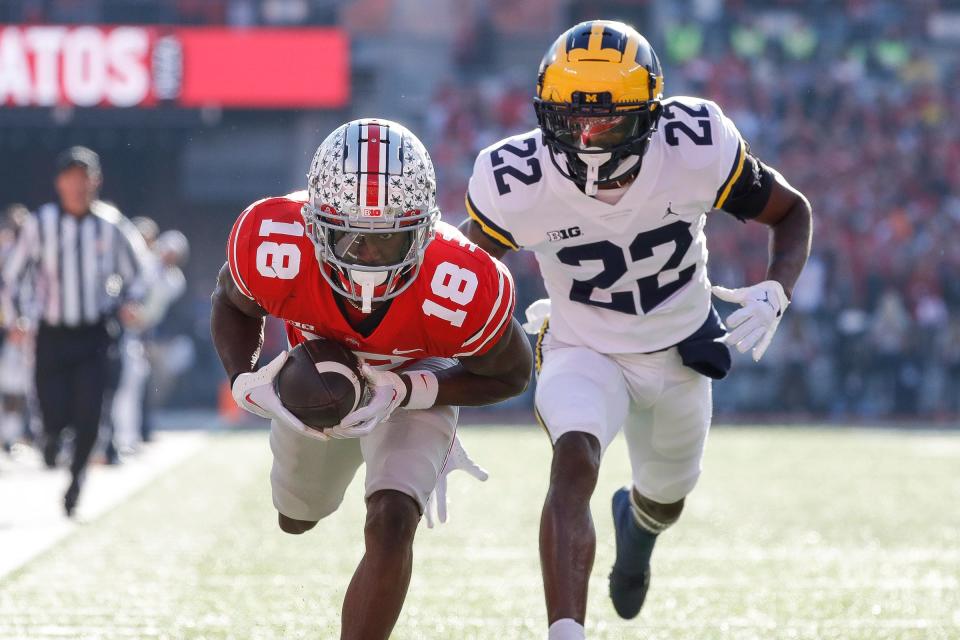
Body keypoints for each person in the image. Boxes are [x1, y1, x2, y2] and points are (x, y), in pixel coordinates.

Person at [461, 21, 812, 639]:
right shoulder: (513, 179)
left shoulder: (697, 143)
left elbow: (791, 211)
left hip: (680, 351)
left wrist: (777, 289)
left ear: (650, 115)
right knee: (573, 461)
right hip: (582, 345)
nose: (590, 139)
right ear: (545, 113)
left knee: (665, 498)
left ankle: (639, 528)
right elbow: (462, 271)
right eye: (573, 120)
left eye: (609, 121)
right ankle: (565, 632)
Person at [210, 118, 532, 640]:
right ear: (315, 224)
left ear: (425, 229)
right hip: (316, 383)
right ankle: (305, 501)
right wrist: (242, 376)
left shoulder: (461, 279)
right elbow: (231, 301)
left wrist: (409, 390)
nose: (368, 257)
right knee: (297, 516)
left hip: (413, 383)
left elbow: (515, 374)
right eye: (351, 237)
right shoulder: (274, 239)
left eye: (388, 241)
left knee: (391, 522)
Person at [0, 146, 148, 516]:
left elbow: (139, 274)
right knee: (52, 411)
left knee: (90, 411)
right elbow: (11, 276)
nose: (78, 186)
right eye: (71, 178)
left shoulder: (111, 225)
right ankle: (50, 439)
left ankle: (77, 477)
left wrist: (130, 301)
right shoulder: (41, 224)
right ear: (59, 183)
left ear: (96, 181)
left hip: (95, 334)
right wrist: (14, 317)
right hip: (52, 331)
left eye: (85, 178)